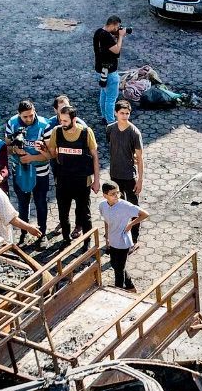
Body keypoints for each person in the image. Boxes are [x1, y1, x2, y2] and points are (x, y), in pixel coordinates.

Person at [44, 104, 100, 245]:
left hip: (82, 180)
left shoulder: (86, 132)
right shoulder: (56, 131)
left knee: (85, 215)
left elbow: (95, 156)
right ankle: (66, 240)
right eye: (61, 120)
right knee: (63, 214)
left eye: (65, 121)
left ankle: (87, 242)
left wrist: (96, 181)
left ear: (74, 119)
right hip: (63, 180)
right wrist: (43, 150)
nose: (62, 124)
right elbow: (52, 153)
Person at [6, 99, 51, 246]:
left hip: (40, 171)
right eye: (25, 117)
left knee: (40, 202)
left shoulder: (45, 125)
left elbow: (51, 154)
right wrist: (15, 149)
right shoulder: (12, 123)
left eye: (31, 115)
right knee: (22, 203)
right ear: (19, 114)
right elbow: (5, 148)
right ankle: (24, 233)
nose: (29, 119)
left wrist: (32, 157)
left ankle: (42, 234)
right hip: (19, 170)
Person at [104, 99, 144, 243]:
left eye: (127, 113)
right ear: (115, 113)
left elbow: (139, 158)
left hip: (129, 176)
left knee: (133, 209)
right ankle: (117, 234)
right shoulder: (110, 129)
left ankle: (134, 238)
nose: (125, 116)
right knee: (115, 206)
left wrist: (140, 180)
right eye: (122, 113)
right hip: (114, 175)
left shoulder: (134, 133)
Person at [99, 181, 147, 291]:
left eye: (117, 193)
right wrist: (107, 237)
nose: (116, 196)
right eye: (112, 194)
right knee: (115, 264)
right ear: (105, 195)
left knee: (118, 271)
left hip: (123, 242)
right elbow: (106, 220)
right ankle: (130, 287)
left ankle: (118, 290)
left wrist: (130, 224)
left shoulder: (125, 206)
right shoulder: (102, 205)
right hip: (112, 240)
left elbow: (145, 214)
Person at [94, 16, 127, 125]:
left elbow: (106, 48)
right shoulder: (106, 37)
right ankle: (111, 121)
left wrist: (116, 37)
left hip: (101, 71)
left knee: (104, 94)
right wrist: (121, 37)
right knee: (111, 99)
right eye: (117, 27)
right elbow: (116, 50)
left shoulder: (98, 32)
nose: (118, 29)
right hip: (110, 72)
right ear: (113, 24)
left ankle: (104, 117)